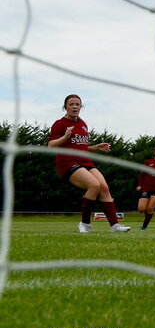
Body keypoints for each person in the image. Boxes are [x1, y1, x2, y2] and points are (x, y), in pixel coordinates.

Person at [48, 94, 131, 233]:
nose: (74, 107)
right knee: (94, 185)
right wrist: (64, 137)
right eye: (71, 104)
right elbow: (51, 145)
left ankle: (114, 225)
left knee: (104, 187)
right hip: (67, 163)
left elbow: (79, 146)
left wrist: (95, 147)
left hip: (84, 161)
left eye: (77, 104)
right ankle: (85, 224)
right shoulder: (59, 124)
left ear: (81, 107)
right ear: (65, 107)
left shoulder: (83, 124)